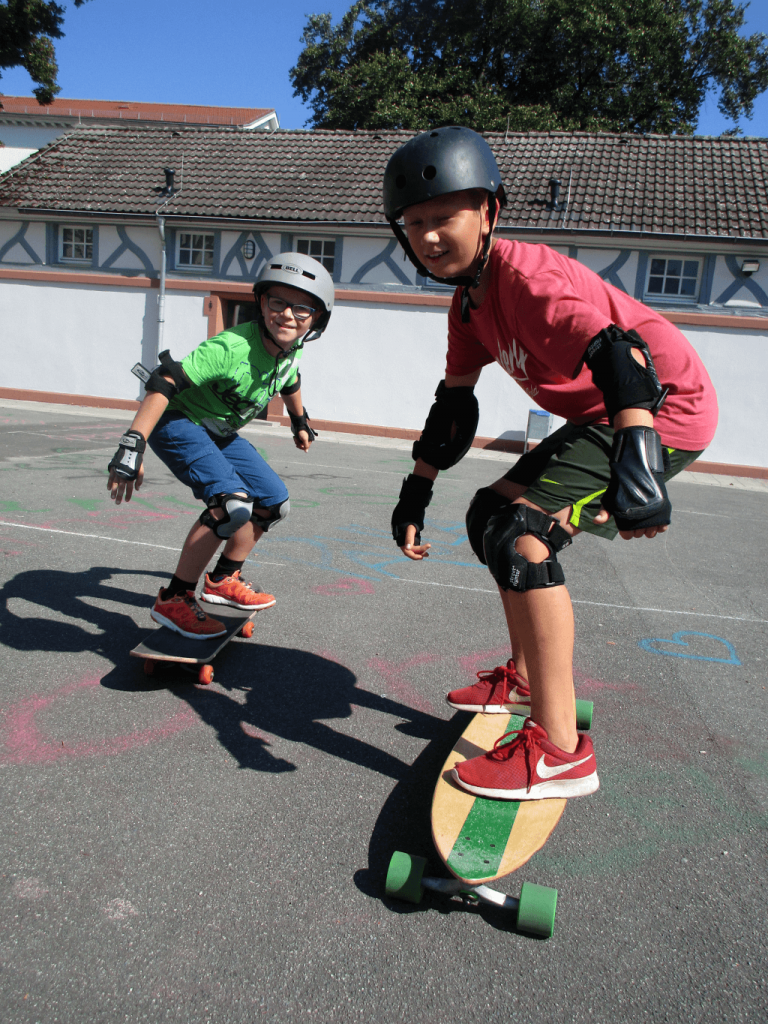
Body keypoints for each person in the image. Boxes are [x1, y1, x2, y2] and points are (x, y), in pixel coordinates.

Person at [382, 127, 718, 801]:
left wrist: (640, 467)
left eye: (444, 216)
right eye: (414, 224)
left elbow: (624, 359)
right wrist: (415, 492)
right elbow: (453, 408)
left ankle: (561, 751)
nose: (429, 237)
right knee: (488, 513)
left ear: (488, 212)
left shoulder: (529, 281)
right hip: (603, 415)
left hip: (663, 409)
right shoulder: (467, 304)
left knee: (523, 534)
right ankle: (526, 678)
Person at [107, 252, 334, 638]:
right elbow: (164, 380)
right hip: (177, 420)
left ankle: (222, 580)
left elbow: (290, 379)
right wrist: (133, 444)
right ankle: (174, 599)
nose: (287, 315)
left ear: (317, 320)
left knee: (273, 501)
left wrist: (299, 421)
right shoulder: (232, 347)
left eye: (301, 308)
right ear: (262, 303)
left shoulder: (291, 347)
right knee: (232, 506)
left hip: (219, 429)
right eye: (277, 303)